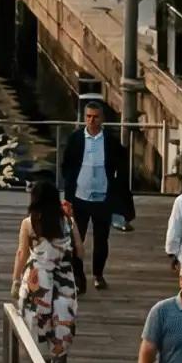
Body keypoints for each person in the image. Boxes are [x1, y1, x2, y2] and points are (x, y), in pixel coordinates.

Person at [56, 99, 132, 290]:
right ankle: (78, 276)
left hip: (103, 198)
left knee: (101, 240)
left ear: (102, 119)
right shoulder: (75, 139)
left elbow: (122, 166)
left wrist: (116, 190)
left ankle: (98, 274)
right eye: (88, 117)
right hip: (80, 197)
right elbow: (66, 165)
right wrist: (69, 193)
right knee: (76, 238)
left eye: (95, 117)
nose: (91, 121)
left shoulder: (111, 140)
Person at [11, 180, 79, 363]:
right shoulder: (67, 222)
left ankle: (40, 360)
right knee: (62, 317)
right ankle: (59, 359)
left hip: (38, 278)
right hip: (64, 278)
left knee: (37, 317)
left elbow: (22, 253)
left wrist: (16, 281)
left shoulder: (29, 223)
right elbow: (80, 252)